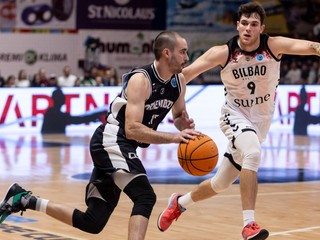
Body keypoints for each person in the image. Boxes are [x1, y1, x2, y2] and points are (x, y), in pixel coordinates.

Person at [0, 31, 200, 240]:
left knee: (92, 222)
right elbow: (132, 128)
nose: (187, 57)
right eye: (183, 52)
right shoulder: (141, 80)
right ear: (167, 53)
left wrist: (181, 124)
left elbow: (178, 115)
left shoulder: (179, 82)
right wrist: (174, 138)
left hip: (124, 147)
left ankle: (25, 199)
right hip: (112, 140)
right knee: (145, 197)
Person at [157, 2, 320, 240]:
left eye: (254, 24)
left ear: (261, 28)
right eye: (244, 23)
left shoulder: (274, 46)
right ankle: (249, 225)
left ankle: (179, 203)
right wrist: (178, 114)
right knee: (252, 153)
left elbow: (310, 46)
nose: (248, 28)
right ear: (237, 25)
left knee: (220, 183)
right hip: (234, 116)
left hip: (261, 122)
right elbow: (181, 78)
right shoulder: (223, 52)